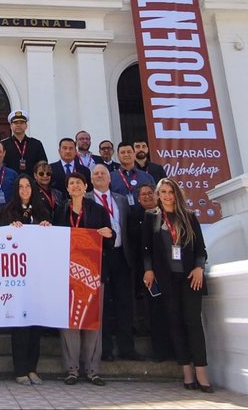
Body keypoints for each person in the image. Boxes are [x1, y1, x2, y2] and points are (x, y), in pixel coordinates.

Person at [142, 178, 212, 392]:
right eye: (162, 191)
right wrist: (148, 269)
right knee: (174, 321)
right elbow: (146, 249)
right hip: (166, 278)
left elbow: (201, 248)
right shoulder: (151, 217)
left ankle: (202, 372)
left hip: (191, 277)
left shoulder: (189, 217)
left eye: (170, 191)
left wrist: (199, 267)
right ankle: (186, 372)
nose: (166, 195)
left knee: (193, 322)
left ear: (176, 194)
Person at [53, 172, 114, 386]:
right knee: (69, 322)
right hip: (66, 274)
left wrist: (109, 234)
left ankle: (93, 370)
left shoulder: (97, 210)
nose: (75, 186)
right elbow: (51, 240)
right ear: (67, 189)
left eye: (79, 183)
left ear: (85, 186)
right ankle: (72, 369)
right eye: (71, 183)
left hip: (93, 274)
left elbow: (110, 239)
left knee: (92, 323)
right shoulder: (59, 211)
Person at [0, 173, 51, 385]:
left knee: (35, 324)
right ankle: (20, 370)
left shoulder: (42, 211)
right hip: (16, 278)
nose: (25, 190)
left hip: (37, 276)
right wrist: (10, 230)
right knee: (20, 324)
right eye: (21, 187)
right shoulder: (7, 211)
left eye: (28, 186)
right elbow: (0, 240)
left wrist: (46, 228)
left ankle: (32, 368)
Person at [90, 164, 143, 361]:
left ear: (110, 178)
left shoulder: (120, 200)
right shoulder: (86, 199)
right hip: (98, 258)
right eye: (96, 174)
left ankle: (127, 348)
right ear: (91, 179)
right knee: (103, 305)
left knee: (124, 303)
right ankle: (104, 349)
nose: (100, 176)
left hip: (121, 255)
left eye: (103, 173)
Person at [130, 182, 172, 361]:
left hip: (171, 271)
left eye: (150, 193)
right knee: (154, 312)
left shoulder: (169, 216)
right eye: (143, 195)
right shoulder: (138, 217)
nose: (147, 197)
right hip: (149, 271)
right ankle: (160, 352)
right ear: (138, 199)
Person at [1, 110, 48, 178]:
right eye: (15, 122)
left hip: (32, 183)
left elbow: (43, 165)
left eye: (21, 122)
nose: (18, 125)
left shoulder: (36, 144)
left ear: (26, 125)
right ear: (11, 126)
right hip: (11, 183)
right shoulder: (4, 145)